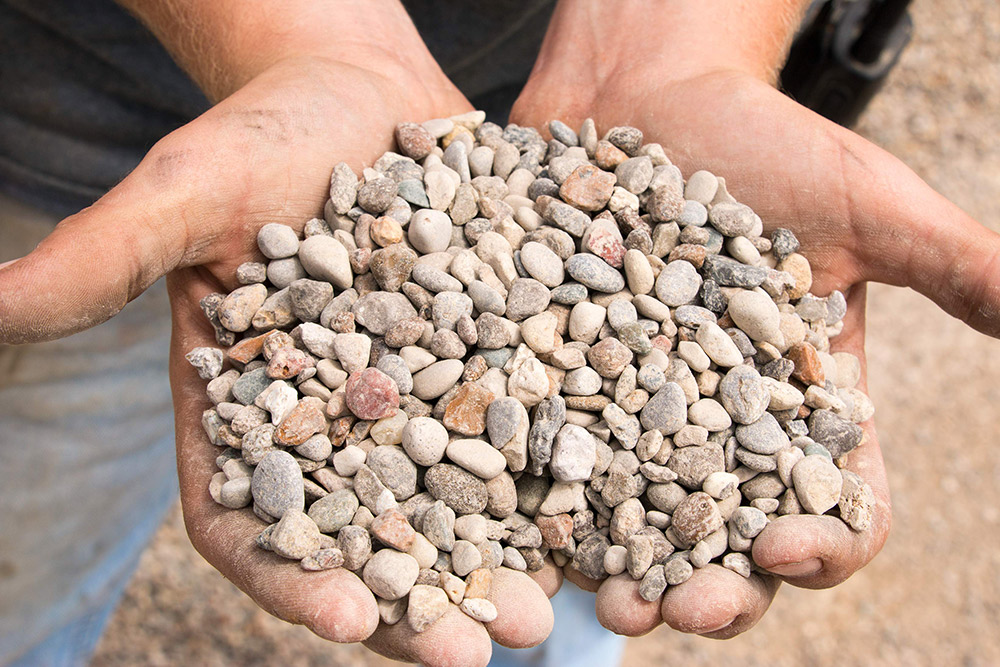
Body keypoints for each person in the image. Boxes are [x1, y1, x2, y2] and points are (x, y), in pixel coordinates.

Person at [2, 1, 998, 665]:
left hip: (567, 83)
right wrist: (300, 36)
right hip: (86, 126)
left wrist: (677, 40)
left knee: (570, 605)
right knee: (26, 570)